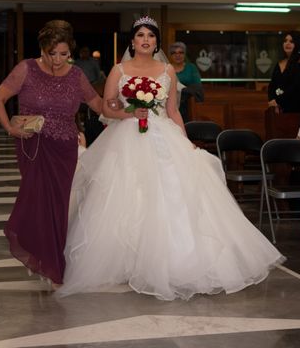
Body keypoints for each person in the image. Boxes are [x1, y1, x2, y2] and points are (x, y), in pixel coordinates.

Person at [60, 16, 284, 301]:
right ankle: (126, 262)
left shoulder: (167, 70)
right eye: (140, 35)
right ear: (132, 40)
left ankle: (177, 261)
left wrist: (184, 139)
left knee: (174, 194)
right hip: (127, 136)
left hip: (163, 135)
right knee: (127, 193)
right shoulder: (119, 70)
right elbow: (107, 107)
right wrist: (130, 112)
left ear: (156, 43)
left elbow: (174, 111)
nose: (145, 40)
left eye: (151, 36)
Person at [0, 21, 103, 286]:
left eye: (63, 54)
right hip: (34, 145)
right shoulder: (26, 69)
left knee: (59, 205)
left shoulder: (76, 75)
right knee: (37, 201)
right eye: (51, 53)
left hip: (65, 147)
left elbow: (97, 103)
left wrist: (124, 109)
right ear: (42, 49)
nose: (57, 60)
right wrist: (9, 128)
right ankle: (42, 257)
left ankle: (53, 264)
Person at [267, 31, 300, 113]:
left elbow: (297, 88)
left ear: (299, 44)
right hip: (278, 109)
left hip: (297, 109)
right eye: (285, 41)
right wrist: (272, 100)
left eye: (291, 41)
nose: (287, 43)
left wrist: (278, 101)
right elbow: (272, 86)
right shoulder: (280, 63)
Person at [169, 41, 203, 122]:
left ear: (185, 54)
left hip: (188, 105)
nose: (178, 55)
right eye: (174, 53)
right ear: (170, 55)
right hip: (170, 103)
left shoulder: (191, 67)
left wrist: (184, 91)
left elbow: (198, 86)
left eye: (181, 52)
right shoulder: (167, 68)